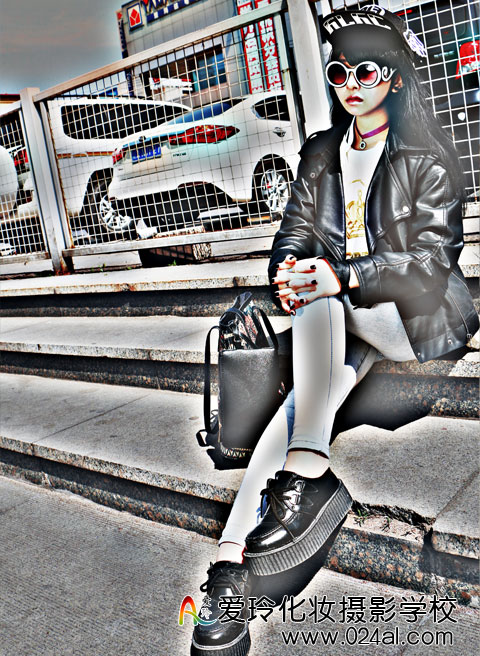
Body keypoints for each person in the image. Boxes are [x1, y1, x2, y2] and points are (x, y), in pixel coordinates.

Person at [190, 6, 478, 656]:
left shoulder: (426, 156)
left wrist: (337, 277)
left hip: (411, 320)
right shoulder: (321, 152)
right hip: (343, 321)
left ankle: (308, 473)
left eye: (365, 71)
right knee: (296, 410)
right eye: (339, 71)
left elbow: (429, 265)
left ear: (394, 78)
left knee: (322, 300)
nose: (350, 83)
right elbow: (293, 231)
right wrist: (287, 272)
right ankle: (232, 568)